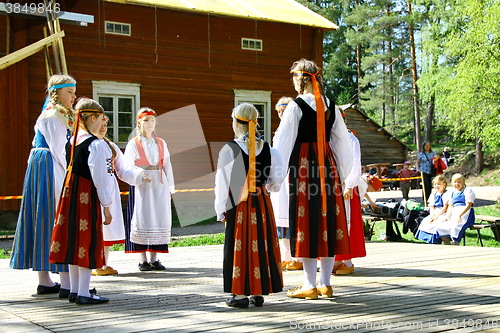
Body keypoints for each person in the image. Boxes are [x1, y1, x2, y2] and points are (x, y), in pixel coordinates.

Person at [273, 58, 352, 300]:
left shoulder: (295, 107)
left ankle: (309, 284)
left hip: (304, 168)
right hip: (327, 168)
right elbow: (342, 143)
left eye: (293, 77)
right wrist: (345, 174)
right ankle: (325, 283)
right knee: (327, 221)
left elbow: (283, 143)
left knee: (306, 220)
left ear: (301, 79)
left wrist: (274, 177)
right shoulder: (331, 106)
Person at [10, 74, 76, 297]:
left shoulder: (55, 114)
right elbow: (58, 150)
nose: (74, 96)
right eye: (70, 92)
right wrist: (68, 173)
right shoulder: (52, 114)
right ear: (56, 92)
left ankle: (45, 280)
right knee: (51, 214)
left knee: (42, 216)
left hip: (42, 164)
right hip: (49, 166)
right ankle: (61, 279)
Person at [214, 103, 285, 308]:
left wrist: (220, 209)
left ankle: (239, 294)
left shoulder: (230, 149)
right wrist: (264, 187)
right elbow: (276, 181)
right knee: (260, 243)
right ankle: (257, 291)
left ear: (237, 123)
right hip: (261, 202)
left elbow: (222, 182)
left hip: (239, 202)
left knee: (240, 245)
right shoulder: (269, 149)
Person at [49, 98, 111, 304]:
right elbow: (100, 179)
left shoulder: (72, 141)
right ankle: (84, 292)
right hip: (85, 196)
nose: (102, 123)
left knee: (74, 241)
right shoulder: (96, 145)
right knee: (87, 240)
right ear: (91, 118)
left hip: (70, 195)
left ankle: (75, 290)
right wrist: (107, 206)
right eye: (101, 119)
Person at [91, 116, 151, 276]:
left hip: (110, 187)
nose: (104, 128)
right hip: (91, 187)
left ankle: (103, 264)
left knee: (107, 228)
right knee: (93, 226)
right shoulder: (87, 144)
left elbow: (123, 169)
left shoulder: (110, 146)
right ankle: (91, 263)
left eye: (106, 125)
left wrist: (139, 175)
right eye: (101, 125)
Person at [124, 107, 175, 271]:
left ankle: (154, 257)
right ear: (139, 122)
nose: (150, 123)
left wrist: (171, 188)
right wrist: (139, 174)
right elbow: (128, 165)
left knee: (159, 217)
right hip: (142, 186)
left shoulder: (161, 142)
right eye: (146, 120)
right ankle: (143, 259)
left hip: (159, 184)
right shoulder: (134, 143)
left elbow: (167, 164)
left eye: (152, 120)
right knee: (143, 216)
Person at [270, 96, 303, 271]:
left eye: (284, 110)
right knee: (280, 218)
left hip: (292, 176)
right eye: (279, 111)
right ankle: (285, 256)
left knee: (293, 217)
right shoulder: (279, 131)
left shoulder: (296, 129)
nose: (281, 114)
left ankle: (298, 257)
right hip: (279, 180)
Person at [333, 128, 365, 276]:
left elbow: (355, 162)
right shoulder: (331, 136)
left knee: (346, 222)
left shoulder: (351, 139)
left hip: (346, 186)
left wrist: (350, 185)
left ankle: (348, 262)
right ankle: (337, 260)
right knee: (334, 223)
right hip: (333, 185)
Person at [435, 173, 475, 245]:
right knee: (441, 226)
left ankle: (456, 244)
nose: (457, 184)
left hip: (465, 213)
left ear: (463, 182)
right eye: (455, 182)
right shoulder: (452, 193)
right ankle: (448, 244)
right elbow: (451, 206)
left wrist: (460, 215)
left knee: (456, 227)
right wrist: (447, 216)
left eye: (459, 182)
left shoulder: (467, 191)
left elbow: (468, 205)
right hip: (454, 212)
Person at [415, 175, 451, 244]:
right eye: (435, 184)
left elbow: (445, 207)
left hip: (443, 213)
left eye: (439, 184)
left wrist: (436, 217)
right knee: (426, 221)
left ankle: (440, 241)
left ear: (444, 184)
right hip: (434, 212)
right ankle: (429, 241)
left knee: (437, 224)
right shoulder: (434, 194)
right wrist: (432, 215)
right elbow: (432, 206)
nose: (437, 186)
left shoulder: (447, 194)